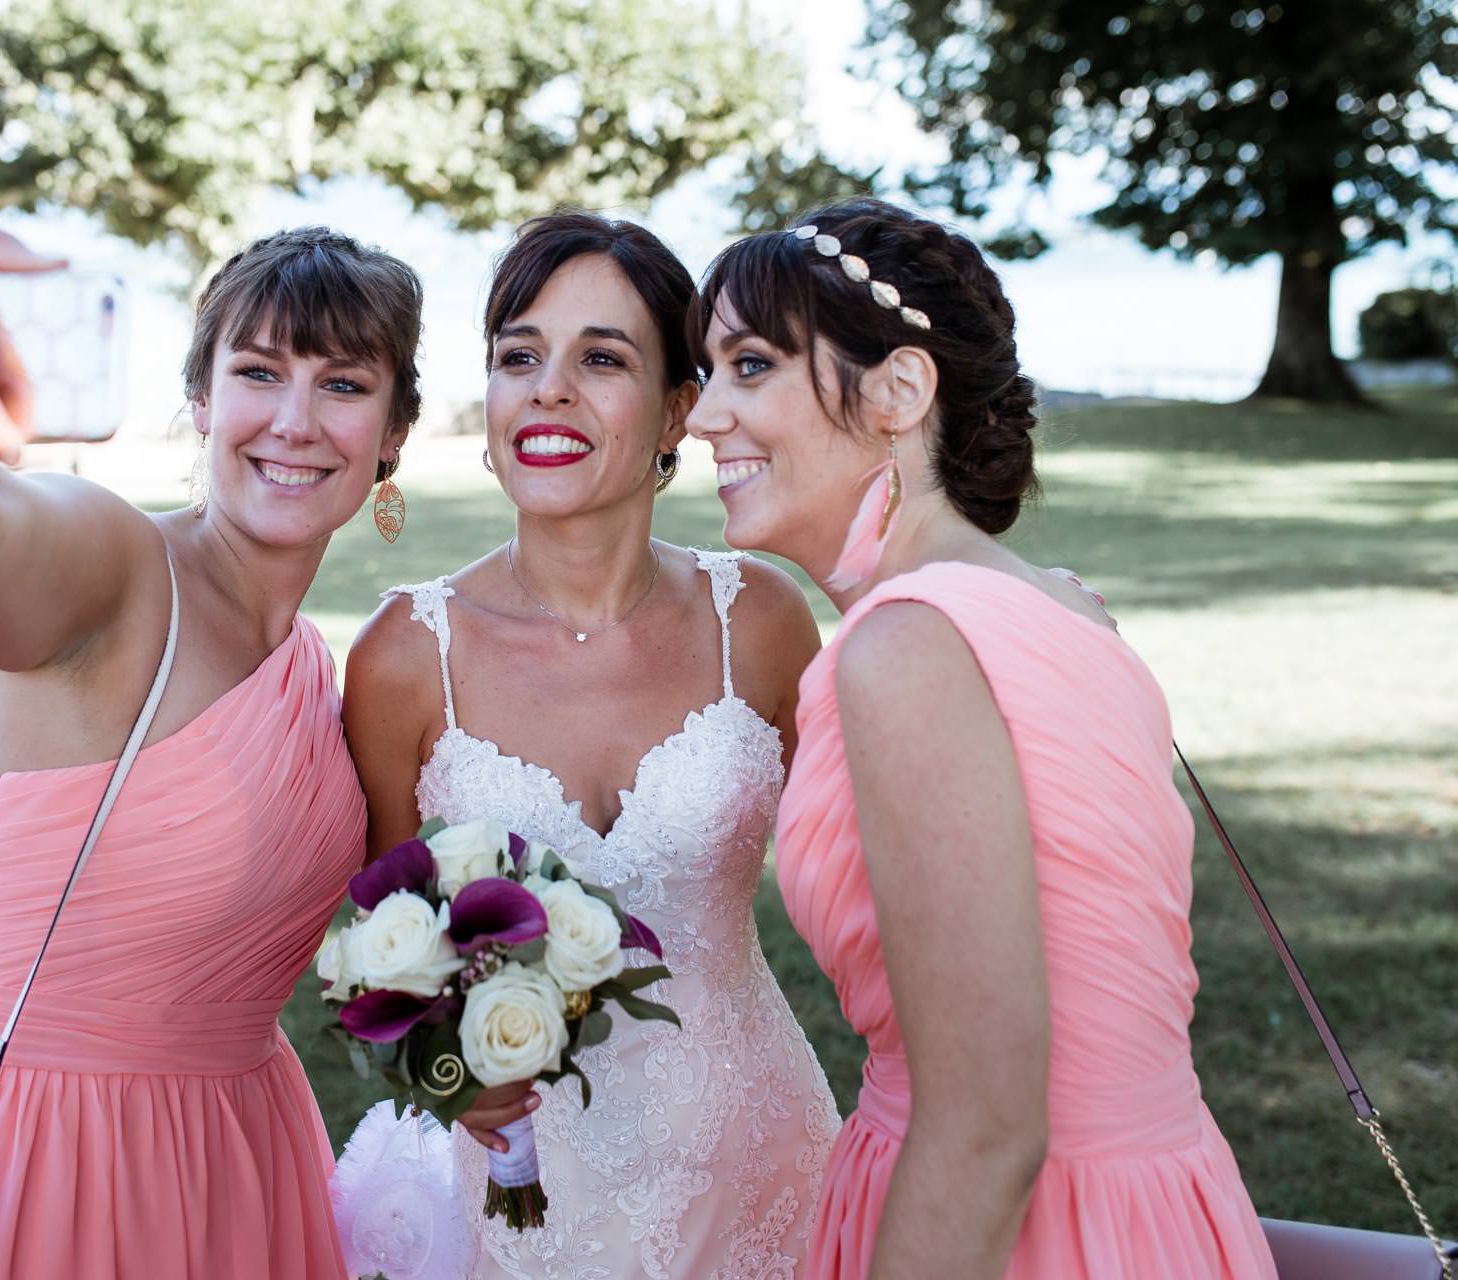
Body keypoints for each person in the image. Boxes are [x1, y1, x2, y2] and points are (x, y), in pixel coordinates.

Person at [0, 171, 424, 1279]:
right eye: (256, 372)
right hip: (24, 1163)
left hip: (237, 1158)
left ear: (392, 436)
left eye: (343, 383)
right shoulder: (111, 570)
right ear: (201, 401)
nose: (294, 419)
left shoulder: (312, 663)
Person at [686, 196, 1277, 1278]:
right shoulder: (1062, 600)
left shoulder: (908, 646)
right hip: (1164, 1206)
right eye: (707, 369)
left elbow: (990, 1127)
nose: (702, 415)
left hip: (1018, 1233)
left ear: (901, 389)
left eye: (753, 364)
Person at [344, 211, 841, 1280]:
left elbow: (874, 884)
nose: (548, 389)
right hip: (533, 1204)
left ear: (677, 409)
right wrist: (444, 1075)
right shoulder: (405, 653)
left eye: (600, 358)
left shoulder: (755, 618)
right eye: (519, 355)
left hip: (764, 1166)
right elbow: (373, 959)